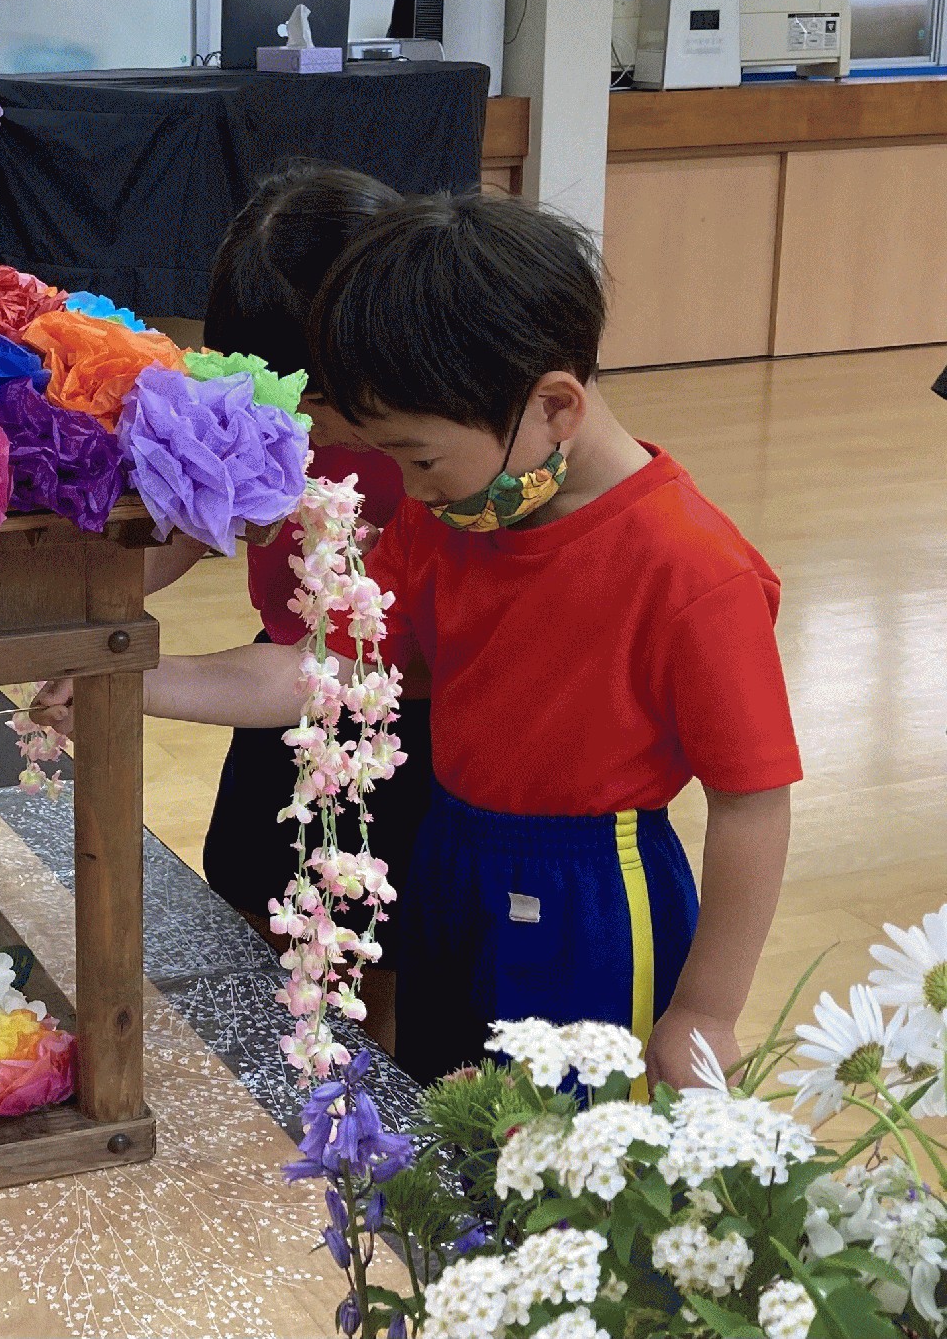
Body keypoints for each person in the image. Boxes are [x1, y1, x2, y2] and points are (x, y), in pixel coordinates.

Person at [302, 191, 798, 1088]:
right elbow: (335, 669)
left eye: (420, 458)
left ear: (555, 407)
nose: (410, 491)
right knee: (446, 1112)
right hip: (452, 858)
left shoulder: (694, 570)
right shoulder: (451, 517)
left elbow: (752, 805)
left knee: (578, 1145)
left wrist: (708, 1009)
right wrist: (136, 675)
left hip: (596, 895)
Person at [35, 163, 434, 1052]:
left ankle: (361, 1099)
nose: (305, 419)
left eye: (320, 396)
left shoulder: (426, 452)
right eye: (279, 389)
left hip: (396, 721)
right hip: (280, 698)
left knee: (376, 962)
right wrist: (68, 608)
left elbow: (337, 668)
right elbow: (193, 524)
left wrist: (126, 678)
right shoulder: (271, 408)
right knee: (253, 901)